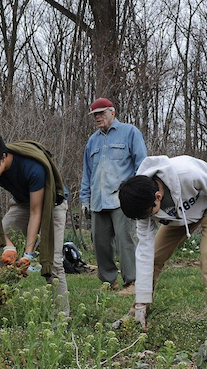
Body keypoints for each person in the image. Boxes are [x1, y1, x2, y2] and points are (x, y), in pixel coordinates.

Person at [116, 155, 207, 341]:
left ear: (157, 196)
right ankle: (137, 314)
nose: (148, 218)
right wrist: (141, 305)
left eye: (150, 213)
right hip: (180, 219)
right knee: (153, 258)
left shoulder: (187, 173)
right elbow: (144, 253)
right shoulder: (142, 202)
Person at [0, 132, 69, 334]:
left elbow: (37, 212)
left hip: (53, 203)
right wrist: (7, 244)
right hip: (21, 202)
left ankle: (61, 322)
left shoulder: (33, 167)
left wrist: (28, 254)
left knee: (54, 261)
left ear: (3, 157)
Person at [80, 98, 147, 294]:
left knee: (125, 240)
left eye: (101, 113)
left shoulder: (130, 133)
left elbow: (142, 165)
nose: (98, 117)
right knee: (100, 243)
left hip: (122, 200)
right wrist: (85, 200)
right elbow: (87, 173)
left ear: (112, 112)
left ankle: (132, 282)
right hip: (98, 201)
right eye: (95, 115)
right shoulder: (92, 141)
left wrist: (136, 194)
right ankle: (109, 282)